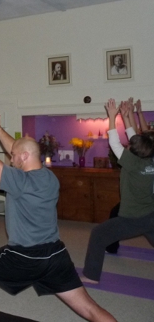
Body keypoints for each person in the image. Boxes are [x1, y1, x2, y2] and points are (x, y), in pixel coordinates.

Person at [0, 108, 116, 322]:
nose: (10, 158)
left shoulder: (20, 182)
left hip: (25, 257)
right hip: (56, 255)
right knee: (90, 310)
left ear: (24, 157)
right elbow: (19, 151)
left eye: (14, 157)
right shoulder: (50, 177)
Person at [81, 99, 154, 283]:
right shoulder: (150, 160)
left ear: (135, 152)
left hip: (132, 217)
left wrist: (112, 117)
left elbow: (114, 143)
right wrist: (125, 115)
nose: (128, 146)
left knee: (98, 234)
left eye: (130, 146)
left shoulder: (132, 163)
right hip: (150, 214)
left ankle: (91, 276)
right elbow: (134, 139)